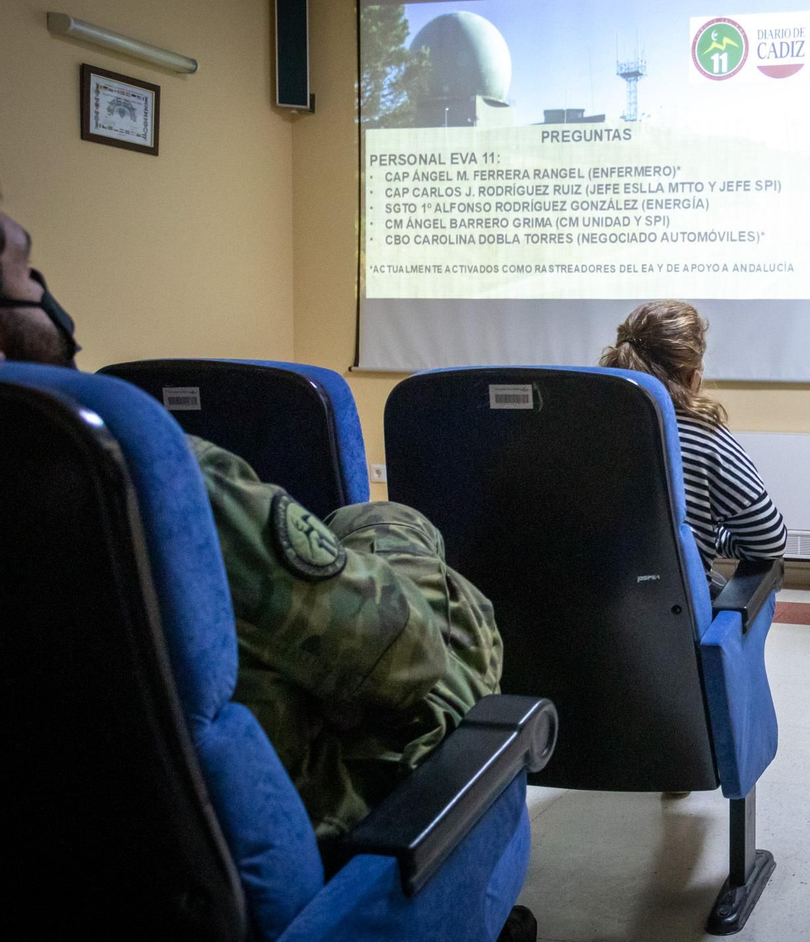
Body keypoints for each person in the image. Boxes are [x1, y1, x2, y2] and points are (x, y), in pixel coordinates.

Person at [0, 209, 504, 847]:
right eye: (28, 273)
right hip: (282, 823)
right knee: (403, 544)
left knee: (362, 520)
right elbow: (410, 657)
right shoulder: (147, 479)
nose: (49, 297)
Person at [600, 300, 787, 584]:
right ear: (692, 376)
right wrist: (705, 535)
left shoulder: (576, 425)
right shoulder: (704, 437)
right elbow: (768, 542)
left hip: (572, 614)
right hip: (673, 619)